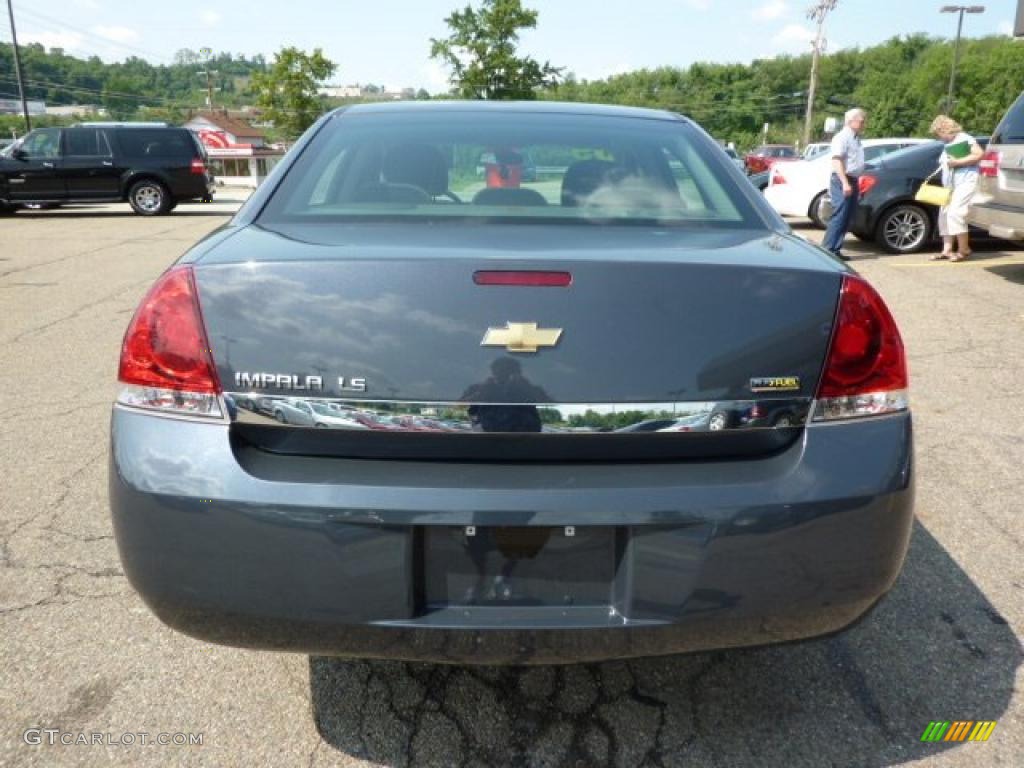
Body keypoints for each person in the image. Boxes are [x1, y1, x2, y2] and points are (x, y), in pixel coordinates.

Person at [929, 115, 984, 262]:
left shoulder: (964, 138)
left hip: (966, 181)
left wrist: (958, 162)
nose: (939, 137)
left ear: (945, 129)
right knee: (945, 214)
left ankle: (963, 249)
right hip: (950, 185)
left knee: (956, 212)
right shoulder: (948, 143)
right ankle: (947, 250)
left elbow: (979, 154)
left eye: (938, 133)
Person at [822, 108, 867, 261]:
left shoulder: (855, 138)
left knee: (847, 216)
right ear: (851, 121)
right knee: (840, 215)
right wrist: (845, 182)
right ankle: (828, 251)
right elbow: (837, 160)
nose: (863, 123)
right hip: (842, 179)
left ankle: (836, 249)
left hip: (852, 179)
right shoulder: (842, 137)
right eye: (861, 121)